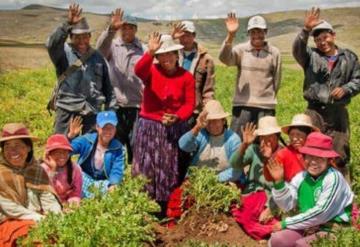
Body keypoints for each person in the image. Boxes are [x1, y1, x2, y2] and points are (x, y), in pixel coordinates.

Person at [131, 33, 195, 217]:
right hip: (149, 127)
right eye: (162, 55)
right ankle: (144, 206)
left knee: (169, 167)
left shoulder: (186, 78)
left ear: (177, 55)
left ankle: (168, 206)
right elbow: (138, 70)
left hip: (173, 127)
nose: (166, 59)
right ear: (157, 57)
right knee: (147, 167)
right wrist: (150, 52)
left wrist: (177, 116)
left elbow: (189, 104)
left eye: (170, 54)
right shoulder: (151, 71)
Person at [292, 7, 360, 180]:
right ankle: (315, 192)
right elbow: (297, 49)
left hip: (338, 113)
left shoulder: (349, 58)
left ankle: (344, 198)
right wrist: (306, 29)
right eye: (318, 39)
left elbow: (358, 80)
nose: (322, 42)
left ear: (333, 35)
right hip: (314, 112)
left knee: (340, 154)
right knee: (313, 152)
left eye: (325, 37)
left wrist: (346, 89)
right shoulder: (310, 56)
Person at [268, 132, 354, 247]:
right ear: (304, 157)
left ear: (328, 161)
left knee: (302, 245)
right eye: (310, 156)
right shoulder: (302, 177)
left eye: (319, 158)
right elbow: (287, 205)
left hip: (331, 228)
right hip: (307, 226)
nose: (313, 161)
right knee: (278, 240)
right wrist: (279, 183)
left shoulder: (333, 178)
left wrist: (286, 223)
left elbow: (321, 212)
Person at [47, 3, 117, 134]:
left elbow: (108, 88)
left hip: (92, 111)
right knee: (61, 148)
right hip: (67, 110)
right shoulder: (62, 53)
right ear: (70, 37)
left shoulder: (98, 57)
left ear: (90, 37)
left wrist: (110, 112)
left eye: (85, 36)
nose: (82, 40)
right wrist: (67, 24)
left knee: (90, 149)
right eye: (77, 37)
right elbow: (51, 44)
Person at [219, 13, 281, 136]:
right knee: (237, 140)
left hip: (266, 107)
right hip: (242, 106)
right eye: (253, 32)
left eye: (260, 32)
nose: (257, 35)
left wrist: (268, 98)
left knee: (264, 141)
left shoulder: (274, 53)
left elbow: (277, 80)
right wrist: (231, 35)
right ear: (249, 34)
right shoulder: (241, 50)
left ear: (266, 32)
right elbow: (224, 58)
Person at [0, 123, 61, 246]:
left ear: (28, 147)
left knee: (57, 234)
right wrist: (38, 218)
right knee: (32, 238)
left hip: (38, 219)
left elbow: (48, 198)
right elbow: (9, 208)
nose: (12, 151)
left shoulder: (36, 170)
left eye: (17, 145)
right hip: (10, 221)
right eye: (7, 146)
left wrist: (57, 218)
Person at [96, 8, 145, 164]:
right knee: (113, 141)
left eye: (131, 27)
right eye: (124, 27)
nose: (127, 30)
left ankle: (134, 176)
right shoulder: (112, 45)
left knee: (136, 143)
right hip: (115, 104)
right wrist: (111, 29)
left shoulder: (142, 49)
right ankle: (112, 175)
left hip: (137, 105)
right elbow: (100, 49)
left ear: (136, 29)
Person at [230, 116, 281, 240]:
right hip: (252, 193)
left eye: (270, 137)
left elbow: (278, 186)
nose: (266, 141)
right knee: (242, 215)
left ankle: (269, 232)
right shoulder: (254, 150)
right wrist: (245, 144)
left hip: (271, 198)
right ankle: (264, 232)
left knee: (267, 220)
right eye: (263, 137)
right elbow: (235, 163)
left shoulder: (283, 154)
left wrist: (270, 208)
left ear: (277, 137)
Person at [178, 99, 242, 182]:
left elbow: (236, 170)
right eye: (209, 121)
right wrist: (197, 128)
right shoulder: (201, 134)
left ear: (223, 121)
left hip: (223, 181)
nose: (212, 125)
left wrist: (213, 180)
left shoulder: (233, 139)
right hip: (197, 179)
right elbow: (183, 145)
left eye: (215, 121)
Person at [67, 111, 125, 198]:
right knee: (74, 172)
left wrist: (113, 184)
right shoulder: (87, 140)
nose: (108, 132)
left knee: (114, 190)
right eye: (104, 128)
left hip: (103, 181)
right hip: (84, 177)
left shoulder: (118, 148)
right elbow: (67, 151)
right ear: (97, 127)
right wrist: (70, 137)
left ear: (115, 129)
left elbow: (117, 170)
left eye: (111, 128)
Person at [171, 21, 215, 126]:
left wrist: (206, 110)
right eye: (182, 36)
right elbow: (156, 57)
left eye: (188, 35)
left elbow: (208, 90)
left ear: (194, 35)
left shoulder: (206, 59)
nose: (185, 39)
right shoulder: (171, 54)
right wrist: (171, 37)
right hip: (174, 109)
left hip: (195, 110)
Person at [264, 113, 318, 182]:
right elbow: (269, 178)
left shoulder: (316, 151)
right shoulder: (283, 154)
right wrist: (267, 160)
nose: (294, 138)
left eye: (299, 135)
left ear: (308, 135)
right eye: (292, 135)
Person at [41, 134, 82, 206]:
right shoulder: (42, 169)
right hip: (48, 203)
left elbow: (76, 192)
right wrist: (53, 170)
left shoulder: (75, 168)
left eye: (65, 152)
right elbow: (45, 192)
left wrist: (72, 205)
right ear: (49, 154)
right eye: (58, 152)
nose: (62, 155)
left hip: (67, 203)